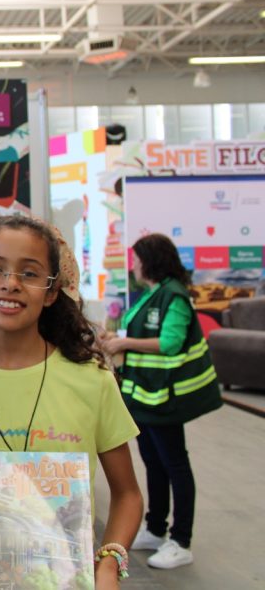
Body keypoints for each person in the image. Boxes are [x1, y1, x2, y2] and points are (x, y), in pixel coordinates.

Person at [0, 215, 143, 589]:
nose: (10, 284)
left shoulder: (92, 381)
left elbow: (128, 495)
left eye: (30, 273)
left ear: (51, 291)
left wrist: (110, 563)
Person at [100, 233, 221, 570]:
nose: (133, 265)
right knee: (153, 462)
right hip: (146, 396)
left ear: (150, 260)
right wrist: (119, 339)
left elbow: (170, 343)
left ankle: (181, 540)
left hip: (166, 398)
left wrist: (124, 345)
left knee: (175, 465)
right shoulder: (153, 294)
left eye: (137, 259)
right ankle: (155, 528)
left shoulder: (175, 296)